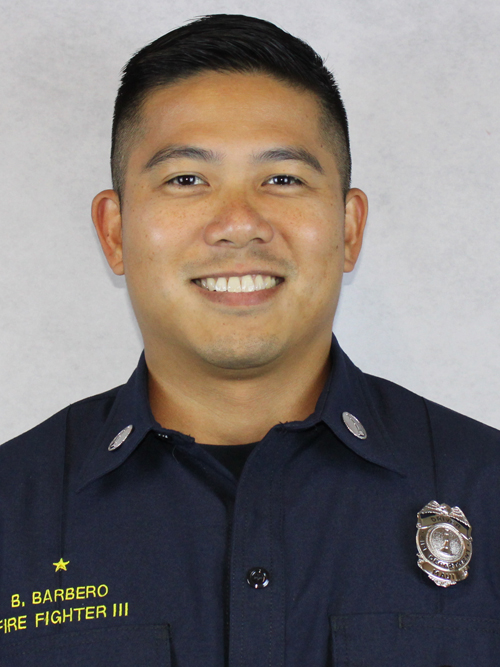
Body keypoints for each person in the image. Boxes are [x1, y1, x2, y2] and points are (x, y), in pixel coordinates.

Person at [1, 13, 499, 667]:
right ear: (115, 232)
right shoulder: (12, 512)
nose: (239, 223)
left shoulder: (486, 488)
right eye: (186, 179)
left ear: (349, 228)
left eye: (283, 179)